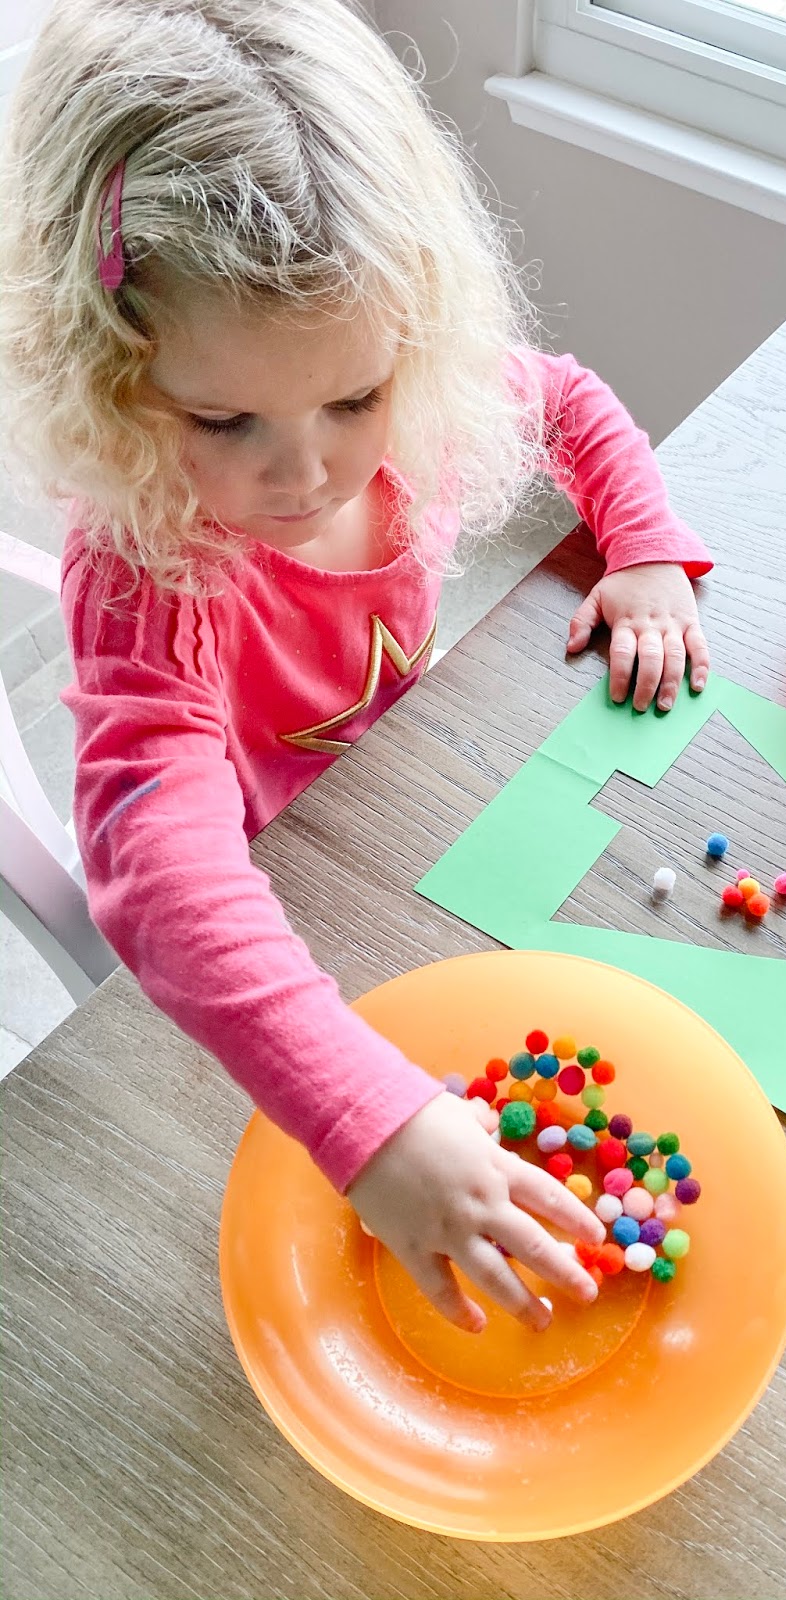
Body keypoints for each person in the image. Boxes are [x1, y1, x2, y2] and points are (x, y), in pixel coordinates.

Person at [0, 0, 712, 1335]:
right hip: (287, 887)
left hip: (407, 803)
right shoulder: (152, 566)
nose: (310, 468)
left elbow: (571, 403)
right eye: (226, 420)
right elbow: (162, 876)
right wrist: (371, 1126)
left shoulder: (426, 400)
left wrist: (650, 552)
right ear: (108, 380)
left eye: (355, 397)